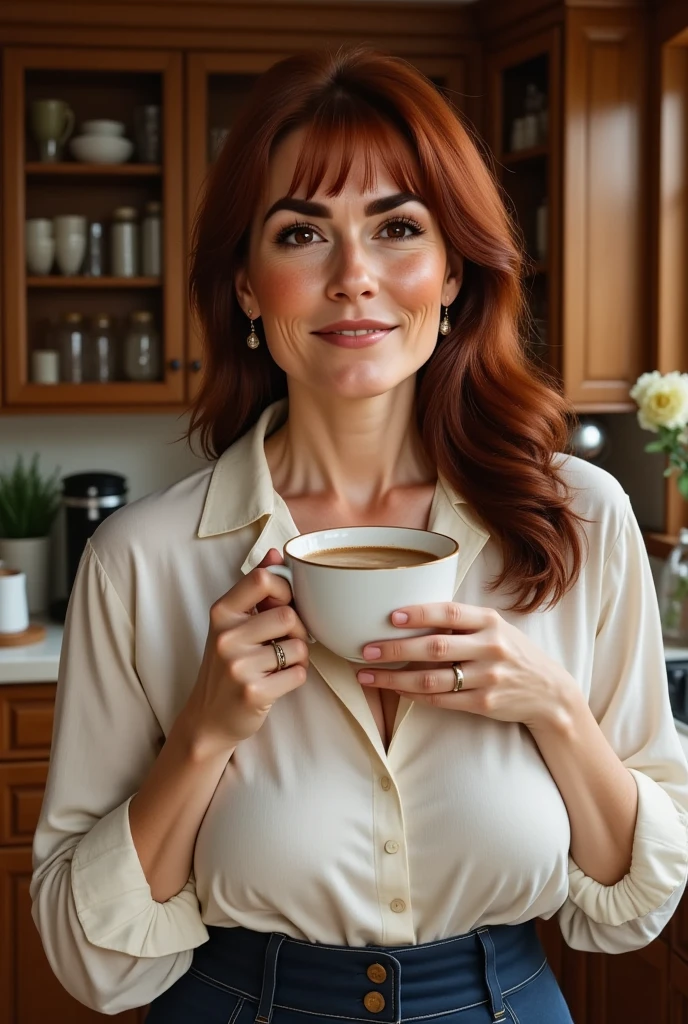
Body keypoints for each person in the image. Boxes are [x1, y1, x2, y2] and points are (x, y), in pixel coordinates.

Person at [31, 46, 688, 1024]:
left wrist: (552, 706)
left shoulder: (577, 520)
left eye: (396, 227)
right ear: (248, 285)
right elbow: (90, 959)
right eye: (303, 233)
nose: (354, 278)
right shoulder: (142, 557)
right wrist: (205, 732)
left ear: (453, 269)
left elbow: (630, 901)